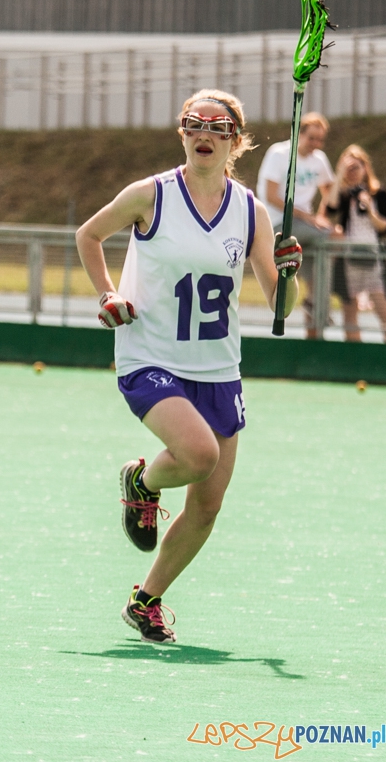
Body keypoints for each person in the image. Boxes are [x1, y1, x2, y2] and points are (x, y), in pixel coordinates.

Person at [76, 89, 303, 645]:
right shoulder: (150, 195)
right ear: (182, 134)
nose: (204, 132)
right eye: (193, 123)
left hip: (219, 367)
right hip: (150, 356)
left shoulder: (250, 210)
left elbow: (282, 302)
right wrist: (108, 295)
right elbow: (88, 235)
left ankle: (146, 599)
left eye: (217, 126)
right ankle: (142, 481)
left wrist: (292, 273)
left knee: (207, 504)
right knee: (197, 456)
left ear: (234, 140)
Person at [255, 112, 334, 337]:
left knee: (322, 252)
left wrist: (321, 216)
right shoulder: (279, 154)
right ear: (299, 134)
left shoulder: (319, 159)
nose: (316, 144)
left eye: (320, 139)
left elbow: (329, 189)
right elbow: (270, 195)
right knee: (329, 237)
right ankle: (318, 303)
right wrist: (309, 218)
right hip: (280, 223)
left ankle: (313, 323)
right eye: (312, 138)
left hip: (307, 227)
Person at [322, 145, 386, 342]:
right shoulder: (344, 195)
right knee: (349, 312)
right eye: (348, 168)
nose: (352, 173)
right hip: (349, 260)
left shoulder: (379, 194)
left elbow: (384, 228)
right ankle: (354, 361)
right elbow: (330, 207)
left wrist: (369, 208)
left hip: (373, 258)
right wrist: (339, 174)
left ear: (365, 167)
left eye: (356, 167)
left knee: (383, 311)